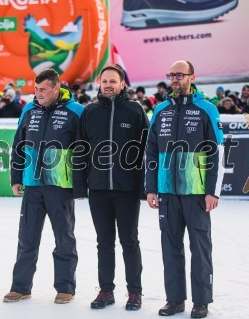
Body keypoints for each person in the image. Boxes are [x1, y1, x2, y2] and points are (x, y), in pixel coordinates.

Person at [145, 60, 224, 318]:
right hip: (167, 193)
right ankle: (175, 300)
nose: (175, 79)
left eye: (180, 74)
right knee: (170, 247)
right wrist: (151, 188)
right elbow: (151, 151)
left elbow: (217, 152)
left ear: (192, 77)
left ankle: (201, 301)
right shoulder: (161, 110)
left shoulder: (206, 109)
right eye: (172, 74)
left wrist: (213, 191)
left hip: (197, 193)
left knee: (200, 247)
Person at [4, 68, 83, 305]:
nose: (37, 94)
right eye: (35, 89)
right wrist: (16, 177)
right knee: (27, 237)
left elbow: (83, 151)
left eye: (42, 90)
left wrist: (79, 187)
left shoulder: (76, 111)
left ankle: (65, 288)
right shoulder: (29, 109)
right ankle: (20, 287)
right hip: (33, 184)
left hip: (60, 186)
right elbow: (19, 144)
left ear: (56, 87)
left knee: (64, 239)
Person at [74, 64, 149, 311]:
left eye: (113, 81)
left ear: (122, 84)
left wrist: (143, 188)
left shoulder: (135, 111)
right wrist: (79, 186)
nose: (108, 85)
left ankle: (134, 292)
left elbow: (146, 152)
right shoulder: (90, 112)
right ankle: (106, 290)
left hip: (126, 189)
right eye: (104, 81)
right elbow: (80, 150)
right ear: (100, 83)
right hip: (98, 189)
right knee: (104, 242)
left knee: (129, 241)